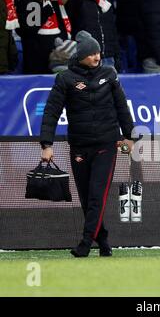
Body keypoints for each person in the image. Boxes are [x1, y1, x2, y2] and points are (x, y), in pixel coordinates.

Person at [40, 30, 134, 257]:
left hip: (106, 144)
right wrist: (47, 144)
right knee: (86, 197)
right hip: (80, 146)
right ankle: (103, 241)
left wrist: (129, 136)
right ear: (80, 56)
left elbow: (122, 106)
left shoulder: (109, 74)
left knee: (96, 195)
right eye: (91, 54)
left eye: (98, 53)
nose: (96, 57)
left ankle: (85, 243)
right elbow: (51, 112)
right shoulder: (65, 79)